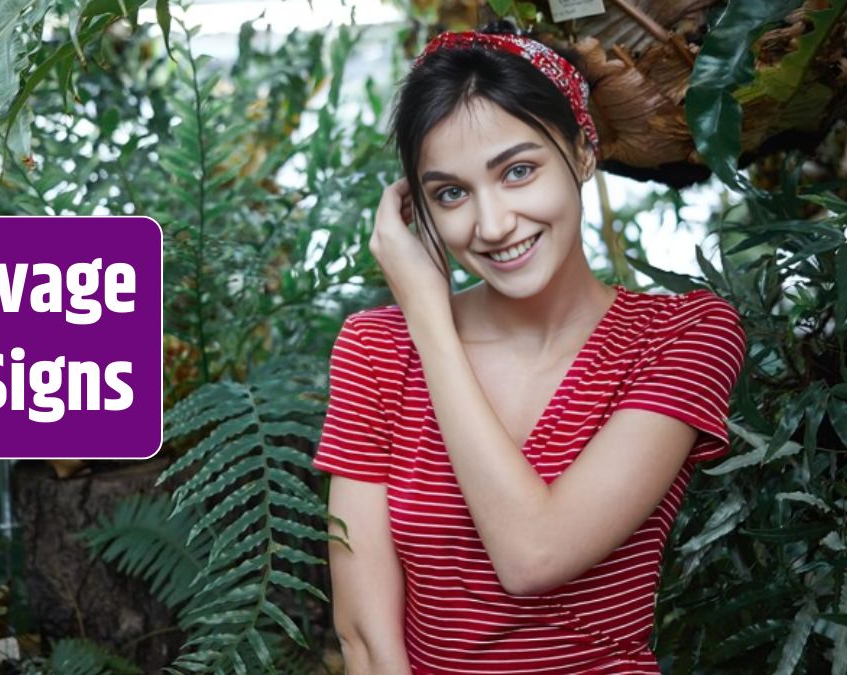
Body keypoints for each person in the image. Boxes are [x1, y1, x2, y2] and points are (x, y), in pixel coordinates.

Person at [311, 23, 747, 675]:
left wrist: (428, 316)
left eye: (517, 171)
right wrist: (422, 320)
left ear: (581, 152)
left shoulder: (684, 336)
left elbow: (533, 554)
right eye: (450, 193)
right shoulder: (376, 349)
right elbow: (366, 635)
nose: (492, 225)